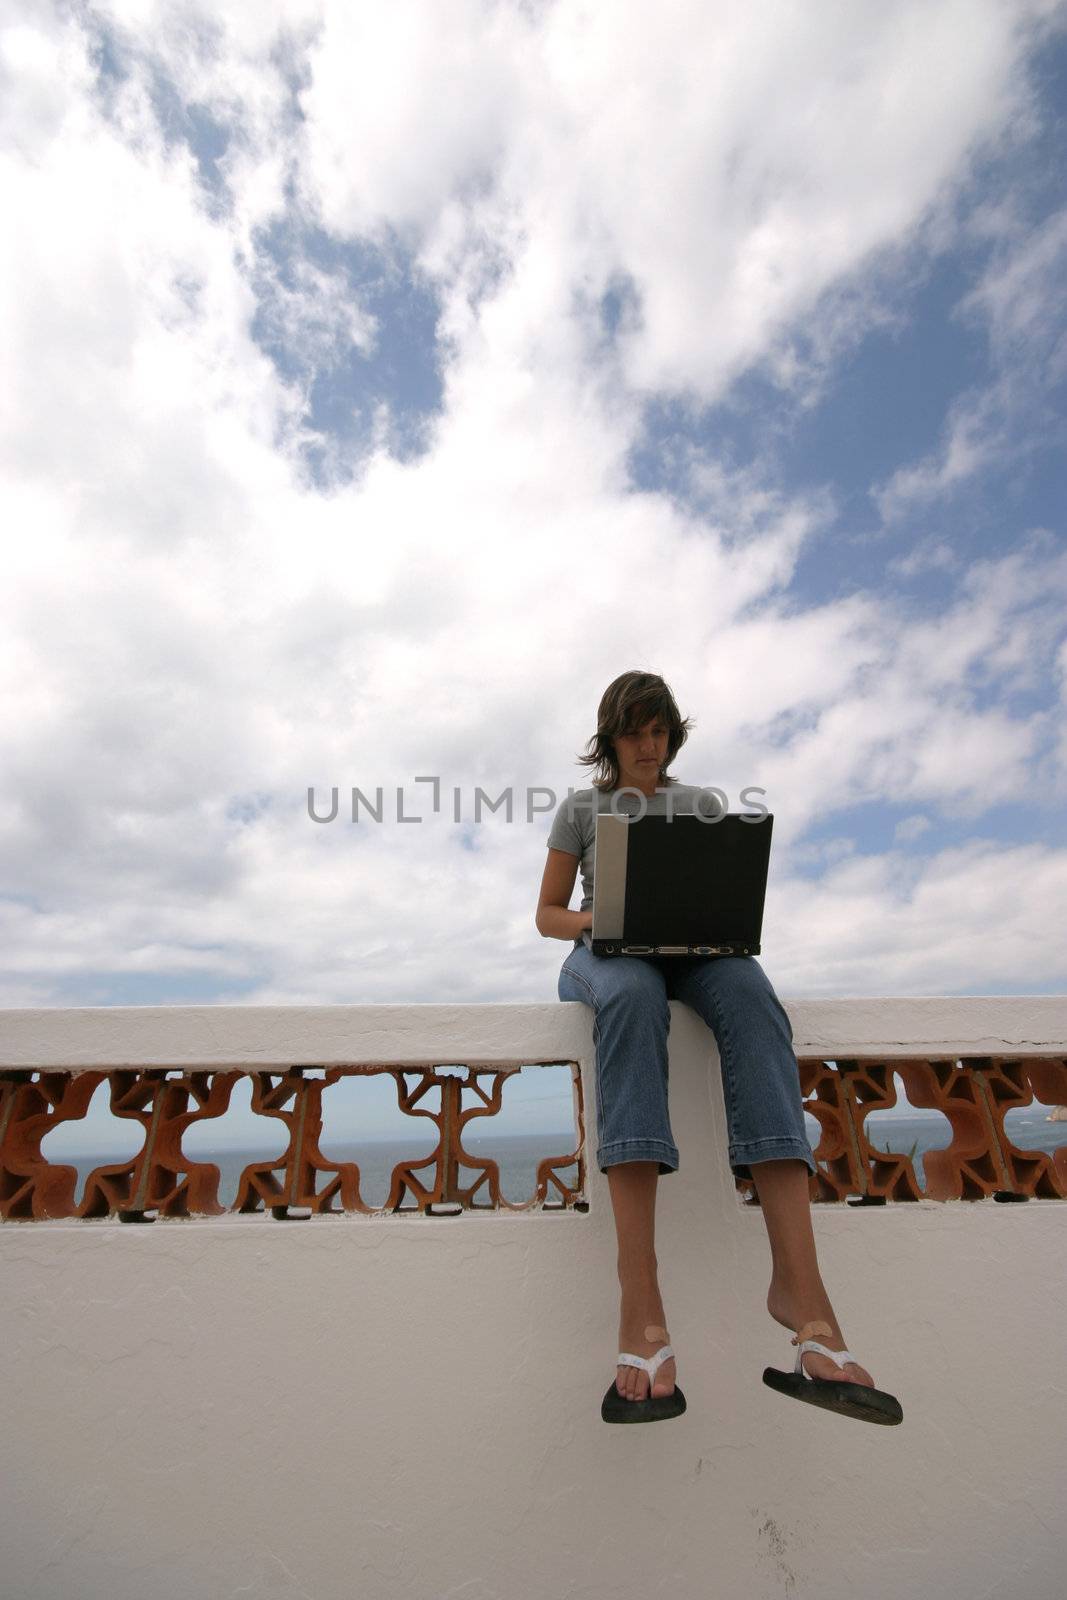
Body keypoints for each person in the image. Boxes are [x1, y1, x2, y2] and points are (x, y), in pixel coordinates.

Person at [535, 670, 902, 1427]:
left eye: (660, 730)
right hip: (607, 952)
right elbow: (545, 915)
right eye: (635, 731)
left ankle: (802, 1298)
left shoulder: (697, 805)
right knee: (633, 997)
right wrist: (601, 924)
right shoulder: (581, 807)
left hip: (692, 948)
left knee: (752, 996)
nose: (649, 744)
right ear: (610, 737)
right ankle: (642, 1308)